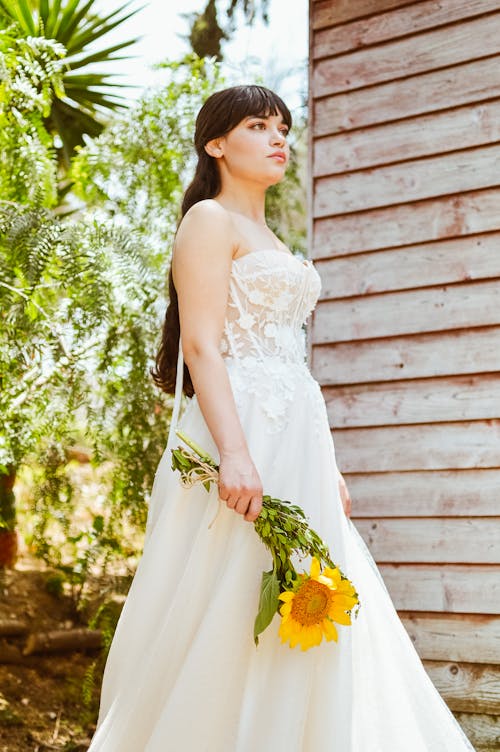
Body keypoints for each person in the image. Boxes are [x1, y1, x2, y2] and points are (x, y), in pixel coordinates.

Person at [87, 85, 476, 751]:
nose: (279, 140)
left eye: (284, 129)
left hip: (296, 431)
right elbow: (203, 346)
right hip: (239, 429)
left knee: (307, 592)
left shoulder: (271, 233)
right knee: (229, 592)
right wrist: (235, 455)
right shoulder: (208, 221)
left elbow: (291, 358)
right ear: (217, 143)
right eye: (259, 126)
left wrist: (329, 466)